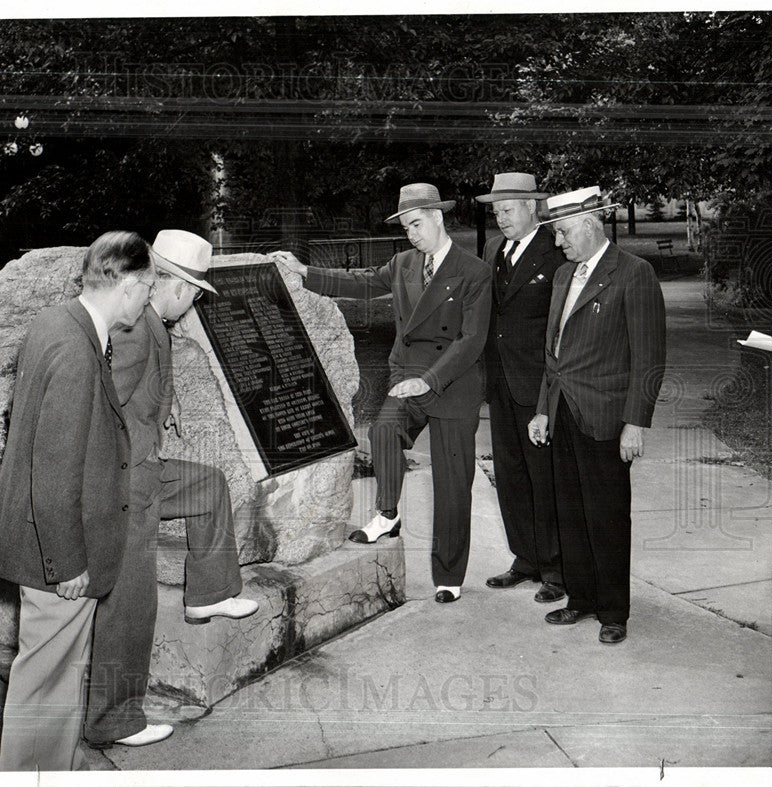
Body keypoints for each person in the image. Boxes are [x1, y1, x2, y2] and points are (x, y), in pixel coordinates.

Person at [0, 231, 155, 771]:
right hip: (56, 552)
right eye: (147, 288)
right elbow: (54, 471)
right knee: (48, 683)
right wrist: (69, 563)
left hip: (39, 540)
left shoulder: (57, 321)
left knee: (53, 676)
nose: (149, 300)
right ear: (128, 284)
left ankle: (51, 769)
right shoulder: (79, 349)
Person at [274, 183, 492, 604]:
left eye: (416, 224)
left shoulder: (474, 272)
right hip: (409, 373)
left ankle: (449, 575)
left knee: (452, 486)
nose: (411, 234)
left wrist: (429, 379)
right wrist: (305, 272)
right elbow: (360, 283)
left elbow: (471, 339)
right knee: (383, 431)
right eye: (406, 227)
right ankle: (388, 514)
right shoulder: (404, 263)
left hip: (453, 383)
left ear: (438, 217)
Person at [83, 229, 259, 750]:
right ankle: (113, 720)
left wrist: (161, 412)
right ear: (178, 288)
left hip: (142, 465)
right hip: (126, 480)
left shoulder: (152, 324)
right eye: (196, 295)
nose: (194, 304)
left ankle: (208, 594)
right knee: (130, 607)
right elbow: (99, 404)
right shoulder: (139, 330)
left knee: (207, 485)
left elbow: (136, 393)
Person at [528, 186, 666, 645]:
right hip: (564, 410)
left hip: (607, 417)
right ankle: (582, 599)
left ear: (590, 224)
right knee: (569, 511)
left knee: (607, 515)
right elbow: (554, 354)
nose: (558, 242)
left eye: (564, 232)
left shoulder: (634, 273)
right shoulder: (565, 276)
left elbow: (649, 357)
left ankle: (613, 611)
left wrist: (636, 422)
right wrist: (543, 410)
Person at [476, 173, 566, 604]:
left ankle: (556, 568)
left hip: (538, 386)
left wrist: (550, 392)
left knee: (545, 477)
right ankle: (525, 559)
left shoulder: (557, 250)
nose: (500, 218)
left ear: (532, 207)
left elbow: (561, 328)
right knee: (510, 477)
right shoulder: (494, 249)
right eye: (496, 211)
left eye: (507, 210)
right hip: (500, 384)